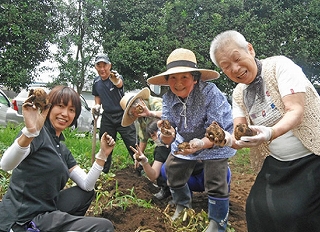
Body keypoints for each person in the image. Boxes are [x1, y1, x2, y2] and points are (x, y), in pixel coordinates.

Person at [209, 30, 320, 232]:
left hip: (312, 155)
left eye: (237, 58)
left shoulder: (279, 66)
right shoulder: (239, 94)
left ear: (250, 49)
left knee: (297, 214)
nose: (235, 69)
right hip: (277, 162)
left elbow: (296, 111)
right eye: (226, 67)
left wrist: (269, 133)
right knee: (256, 209)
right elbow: (239, 135)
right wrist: (225, 139)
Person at [0, 85, 115, 232]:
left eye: (71, 110)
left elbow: (87, 185)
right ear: (48, 108)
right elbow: (6, 164)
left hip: (46, 209)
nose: (65, 114)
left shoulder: (61, 148)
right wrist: (29, 132)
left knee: (86, 194)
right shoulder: (37, 133)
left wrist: (103, 155)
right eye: (60, 106)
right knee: (104, 227)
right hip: (23, 218)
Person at [147, 48, 236, 231]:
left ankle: (217, 222)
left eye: (184, 78)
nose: (178, 84)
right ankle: (182, 205)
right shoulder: (168, 98)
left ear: (195, 78)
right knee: (172, 168)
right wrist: (167, 132)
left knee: (215, 176)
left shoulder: (210, 92)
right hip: (186, 140)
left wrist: (201, 144)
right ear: (167, 80)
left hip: (217, 139)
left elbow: (217, 130)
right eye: (173, 78)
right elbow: (168, 128)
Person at [119, 87, 171, 199]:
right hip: (161, 144)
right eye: (132, 115)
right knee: (160, 155)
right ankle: (165, 188)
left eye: (134, 112)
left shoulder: (155, 103)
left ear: (139, 103)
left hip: (174, 138)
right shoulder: (140, 118)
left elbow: (170, 117)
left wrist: (150, 113)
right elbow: (143, 138)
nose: (135, 116)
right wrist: (139, 156)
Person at [92, 53, 137, 174]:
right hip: (107, 116)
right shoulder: (96, 82)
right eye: (99, 66)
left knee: (132, 143)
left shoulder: (115, 77)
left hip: (123, 114)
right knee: (105, 143)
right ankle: (103, 171)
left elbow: (119, 83)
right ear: (96, 67)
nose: (102, 69)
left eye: (104, 65)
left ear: (110, 66)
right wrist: (97, 105)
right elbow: (97, 95)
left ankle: (141, 169)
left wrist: (116, 80)